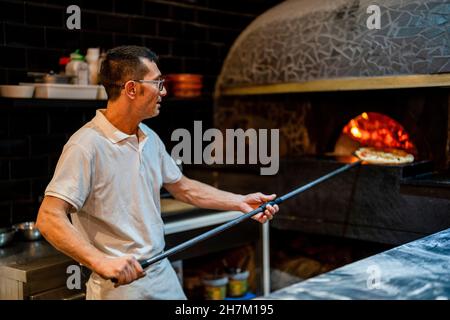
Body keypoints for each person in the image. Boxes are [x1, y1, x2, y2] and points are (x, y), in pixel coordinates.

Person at [36, 46, 279, 300]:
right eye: (157, 83)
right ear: (131, 88)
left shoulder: (150, 137)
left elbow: (183, 187)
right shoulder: (86, 145)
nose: (164, 91)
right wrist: (99, 261)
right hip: (120, 285)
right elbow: (49, 217)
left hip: (162, 274)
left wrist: (240, 202)